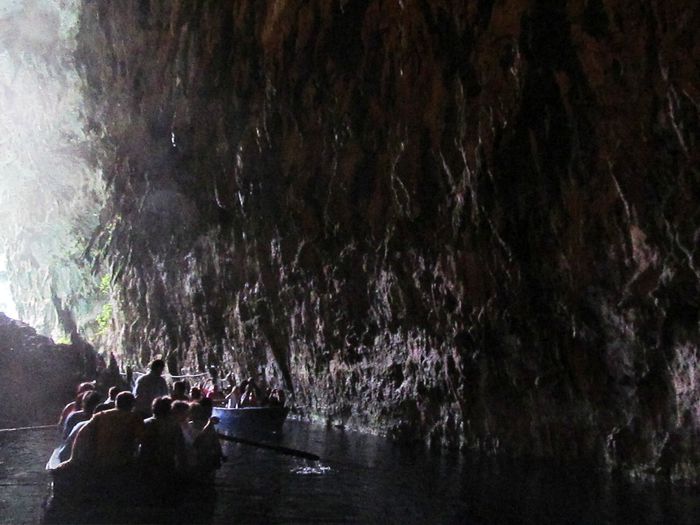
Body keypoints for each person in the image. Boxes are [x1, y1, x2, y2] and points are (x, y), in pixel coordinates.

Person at [139, 396, 186, 478]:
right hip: (167, 463)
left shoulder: (145, 423)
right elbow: (180, 447)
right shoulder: (174, 425)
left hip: (148, 463)